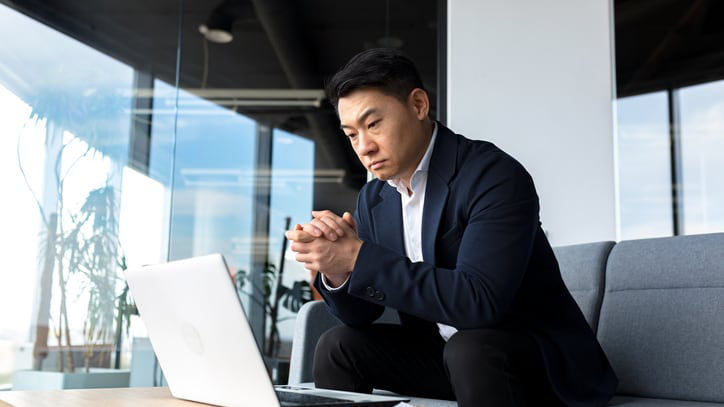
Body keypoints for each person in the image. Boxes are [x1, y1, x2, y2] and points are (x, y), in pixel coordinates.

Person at [285, 48, 617, 407]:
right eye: (351, 134)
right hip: (446, 358)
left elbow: (480, 302)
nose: (363, 147)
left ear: (418, 105)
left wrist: (358, 255)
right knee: (339, 346)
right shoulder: (374, 198)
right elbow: (359, 314)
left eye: (374, 124)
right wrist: (338, 271)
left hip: (535, 362)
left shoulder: (493, 176)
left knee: (470, 349)